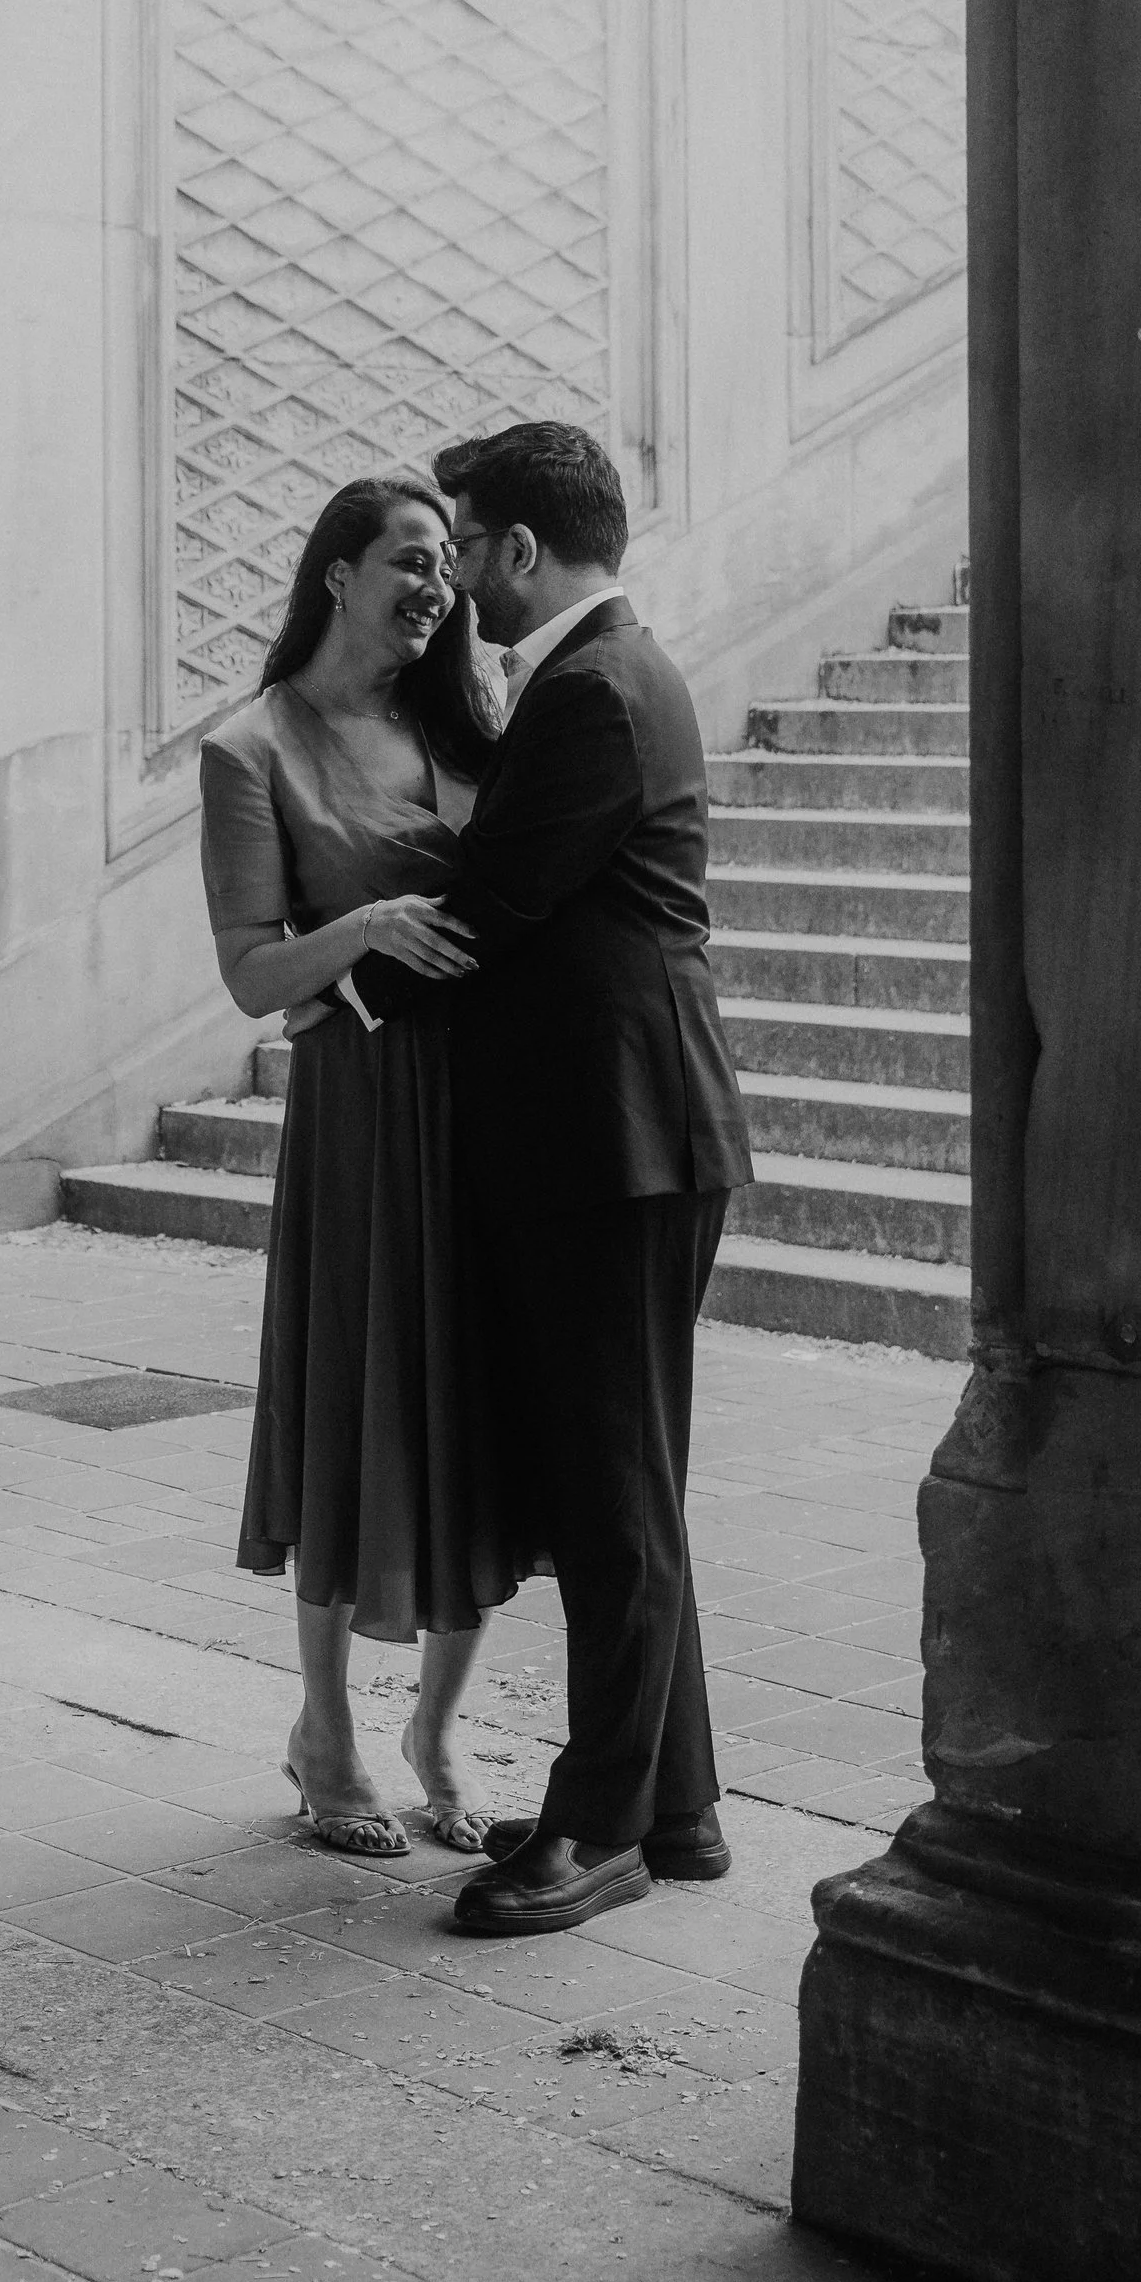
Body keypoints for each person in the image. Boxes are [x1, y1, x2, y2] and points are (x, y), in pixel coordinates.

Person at [353, 417, 752, 1939]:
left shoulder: (593, 690)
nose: (456, 579)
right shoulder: (601, 677)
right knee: (622, 1478)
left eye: (466, 547)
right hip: (621, 1133)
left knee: (612, 1488)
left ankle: (599, 1829)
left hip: (619, 1139)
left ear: (523, 550)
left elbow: (489, 902)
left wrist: (336, 981)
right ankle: (678, 1800)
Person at [199, 474, 520, 1857]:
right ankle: (325, 1730)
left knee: (477, 1410)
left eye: (448, 559)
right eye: (409, 555)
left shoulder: (469, 719)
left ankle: (438, 1727)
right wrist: (370, 924)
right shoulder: (250, 745)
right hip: (361, 1107)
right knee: (352, 1398)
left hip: (486, 1097)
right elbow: (252, 970)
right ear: (336, 571)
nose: (438, 581)